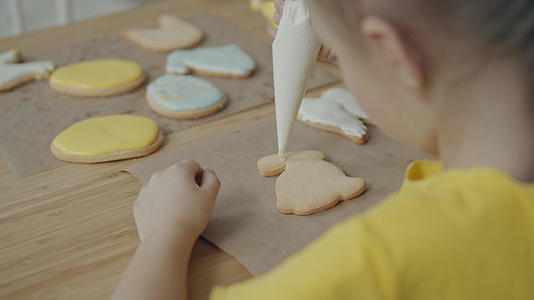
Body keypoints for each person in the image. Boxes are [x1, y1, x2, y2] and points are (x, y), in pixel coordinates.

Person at [112, 0, 534, 299]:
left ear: (393, 52)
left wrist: (166, 235)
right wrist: (357, 47)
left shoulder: (376, 265)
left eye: (341, 55)